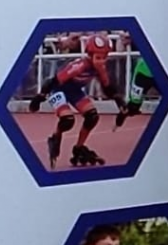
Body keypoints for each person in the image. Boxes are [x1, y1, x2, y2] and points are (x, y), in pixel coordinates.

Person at [28, 33, 124, 168]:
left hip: (75, 92)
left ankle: (79, 148)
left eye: (104, 58)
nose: (101, 62)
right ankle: (56, 137)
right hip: (58, 89)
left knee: (92, 116)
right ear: (90, 55)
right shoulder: (80, 66)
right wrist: (39, 98)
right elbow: (51, 81)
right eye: (98, 58)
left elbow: (107, 88)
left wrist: (119, 101)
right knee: (68, 120)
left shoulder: (101, 68)